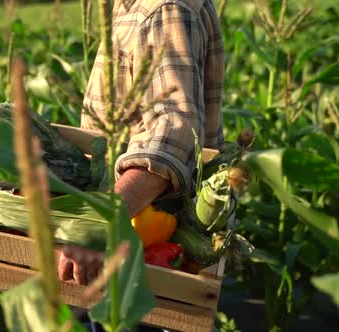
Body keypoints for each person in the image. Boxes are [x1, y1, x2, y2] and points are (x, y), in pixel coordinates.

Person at [57, 0, 225, 289]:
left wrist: (100, 223)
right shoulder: (131, 6)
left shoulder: (164, 9)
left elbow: (175, 134)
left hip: (145, 244)